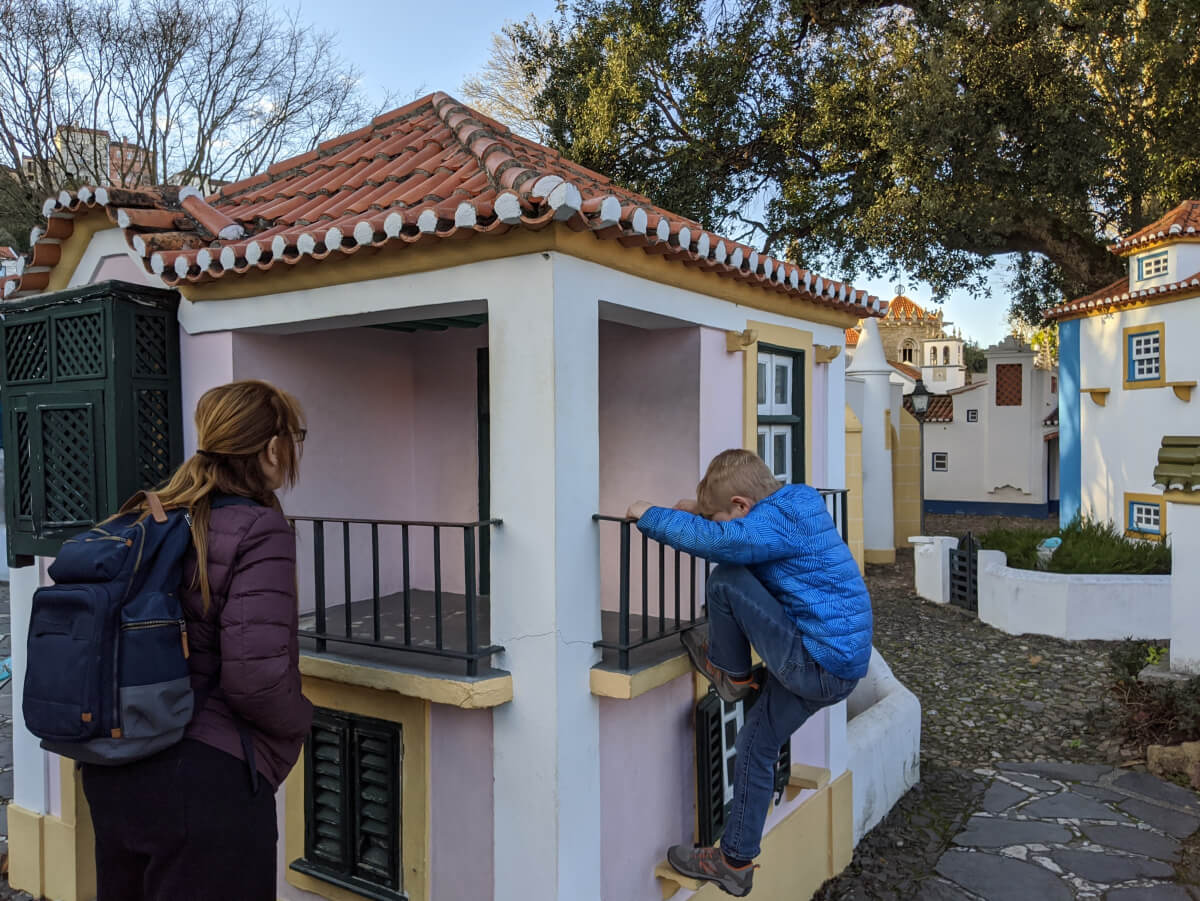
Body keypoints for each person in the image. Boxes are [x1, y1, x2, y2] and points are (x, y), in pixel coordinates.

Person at [81, 379, 314, 901]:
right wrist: (302, 724)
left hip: (114, 770)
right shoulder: (259, 528)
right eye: (294, 438)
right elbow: (255, 680)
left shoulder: (144, 518)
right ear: (273, 447)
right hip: (204, 782)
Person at [627, 449, 872, 897]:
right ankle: (734, 862)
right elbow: (733, 530)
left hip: (814, 663)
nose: (726, 525)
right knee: (757, 743)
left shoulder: (768, 525)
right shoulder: (795, 504)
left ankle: (733, 677)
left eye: (725, 517)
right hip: (839, 667)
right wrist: (697, 512)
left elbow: (726, 542)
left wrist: (651, 516)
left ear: (742, 505)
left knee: (725, 577)